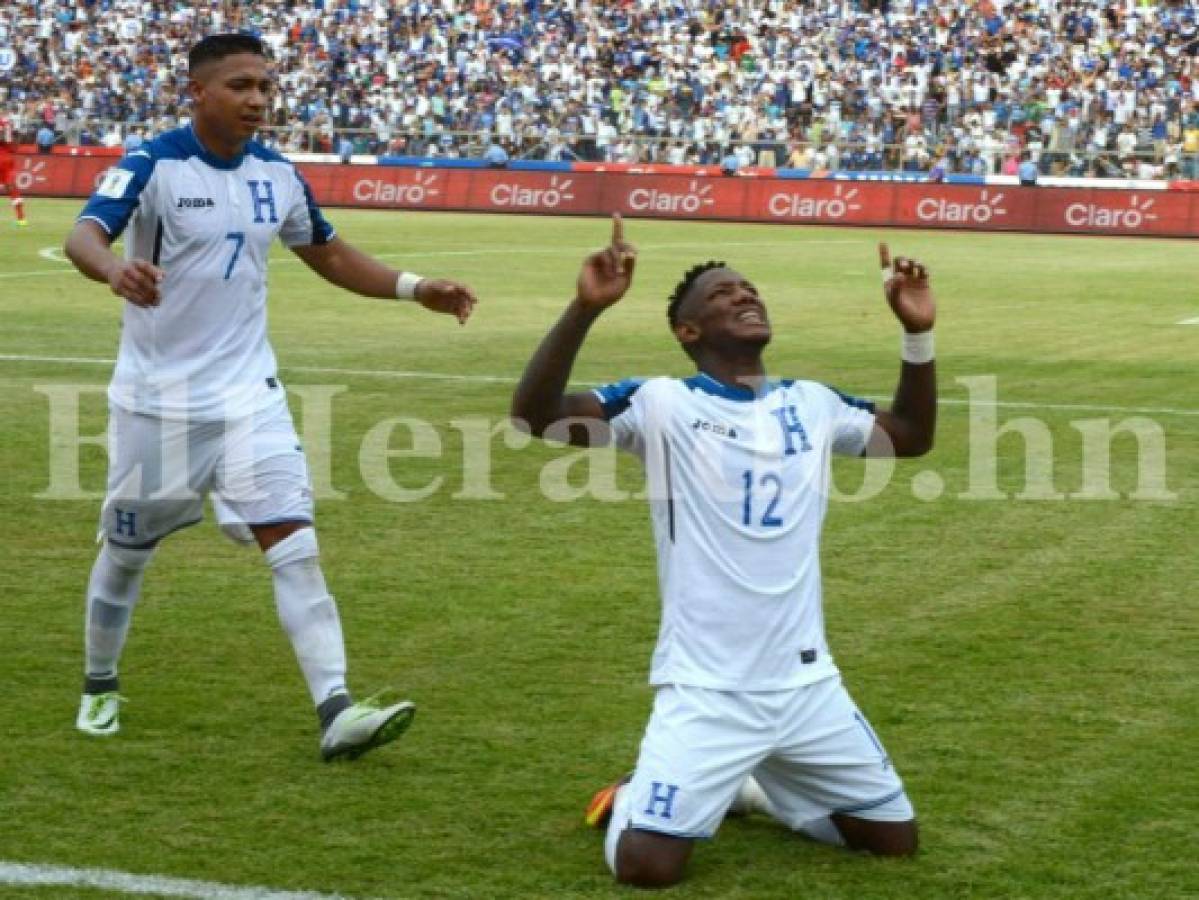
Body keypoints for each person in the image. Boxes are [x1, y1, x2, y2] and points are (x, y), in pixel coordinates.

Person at [63, 34, 479, 760]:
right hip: (156, 405)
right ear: (198, 92)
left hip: (250, 396)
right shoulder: (152, 164)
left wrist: (416, 288)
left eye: (264, 86)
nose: (257, 99)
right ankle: (100, 682)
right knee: (127, 553)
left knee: (294, 542)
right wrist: (112, 272)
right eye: (240, 86)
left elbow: (326, 251)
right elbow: (84, 234)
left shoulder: (278, 173)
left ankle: (336, 709)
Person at [510, 215, 936, 887]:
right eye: (721, 295)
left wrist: (916, 333)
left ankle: (750, 788)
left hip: (807, 686)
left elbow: (909, 435)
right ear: (688, 332)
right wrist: (583, 309)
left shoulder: (812, 402)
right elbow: (534, 416)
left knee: (892, 843)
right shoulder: (657, 404)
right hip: (707, 689)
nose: (743, 296)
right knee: (645, 868)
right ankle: (643, 792)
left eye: (748, 289)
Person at [0, 107, 28, 226]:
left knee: (10, 187)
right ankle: (21, 219)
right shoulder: (8, 123)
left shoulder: (4, 124)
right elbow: (13, 141)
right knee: (12, 188)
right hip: (8, 157)